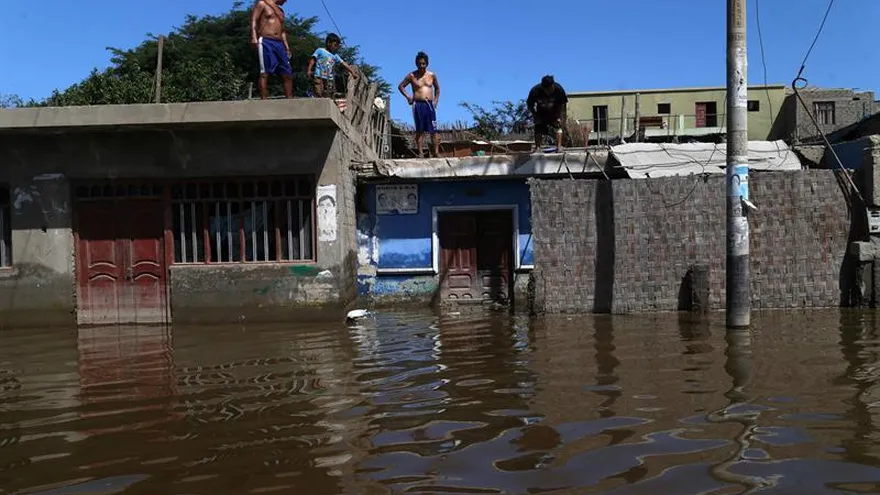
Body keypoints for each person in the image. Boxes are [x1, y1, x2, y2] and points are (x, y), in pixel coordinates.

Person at [398, 52, 441, 158]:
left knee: (433, 130)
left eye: (423, 64)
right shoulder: (412, 76)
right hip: (418, 105)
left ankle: (436, 152)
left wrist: (435, 101)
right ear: (416, 64)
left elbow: (437, 88)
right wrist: (408, 97)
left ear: (427, 64)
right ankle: (420, 153)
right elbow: (401, 86)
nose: (421, 66)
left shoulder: (432, 75)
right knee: (419, 130)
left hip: (429, 105)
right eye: (419, 64)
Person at [250, 0, 293, 99]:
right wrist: (253, 36)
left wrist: (287, 47)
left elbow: (282, 31)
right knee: (264, 73)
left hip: (279, 43)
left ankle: (290, 99)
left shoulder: (280, 11)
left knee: (287, 73)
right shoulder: (262, 3)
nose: (286, 1)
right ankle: (264, 100)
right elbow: (254, 20)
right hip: (266, 41)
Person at [307, 33, 358, 99]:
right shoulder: (320, 51)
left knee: (329, 94)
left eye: (337, 46)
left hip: (329, 78)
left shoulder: (335, 55)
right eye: (335, 45)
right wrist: (309, 70)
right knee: (319, 92)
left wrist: (352, 72)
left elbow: (343, 63)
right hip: (319, 76)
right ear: (328, 43)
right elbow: (313, 60)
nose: (336, 47)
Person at [527, 75, 568, 151]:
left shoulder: (559, 89)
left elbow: (562, 104)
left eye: (551, 89)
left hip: (554, 111)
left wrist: (558, 116)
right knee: (538, 126)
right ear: (543, 88)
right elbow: (530, 105)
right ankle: (537, 147)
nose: (549, 91)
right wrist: (535, 115)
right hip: (541, 112)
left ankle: (558, 146)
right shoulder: (535, 91)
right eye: (547, 90)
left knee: (558, 126)